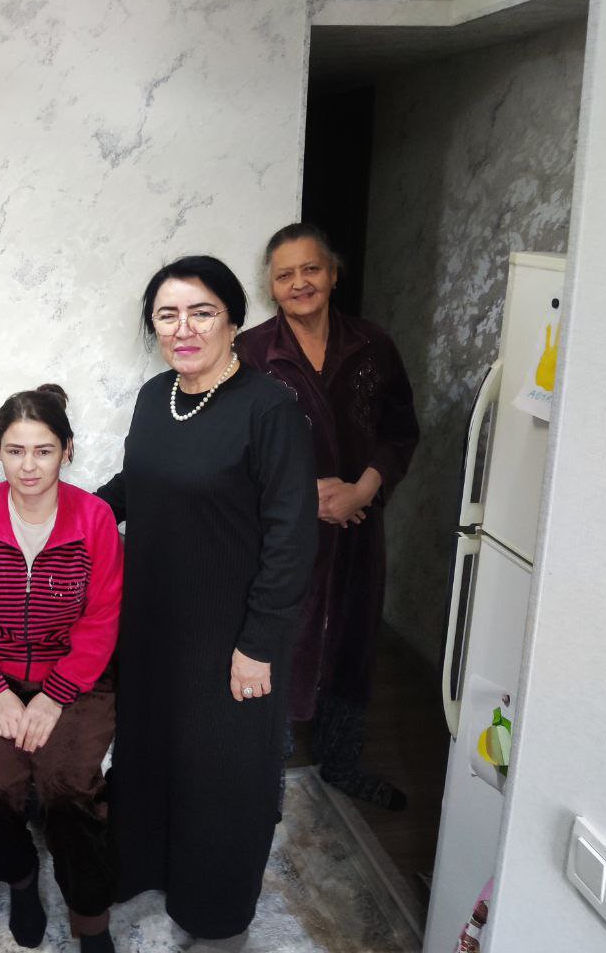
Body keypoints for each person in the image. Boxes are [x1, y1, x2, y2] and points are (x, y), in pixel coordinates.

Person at [97, 257, 317, 939]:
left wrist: (259, 644)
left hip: (231, 635)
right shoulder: (153, 398)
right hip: (153, 623)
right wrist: (64, 518)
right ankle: (147, 868)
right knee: (150, 752)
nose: (183, 328)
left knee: (222, 776)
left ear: (233, 320)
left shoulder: (269, 410)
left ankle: (214, 911)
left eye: (201, 312)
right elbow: (136, 486)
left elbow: (292, 538)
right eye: (167, 315)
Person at [235, 222, 419, 809]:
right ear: (271, 286)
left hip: (359, 530)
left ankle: (343, 762)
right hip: (284, 536)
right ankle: (264, 772)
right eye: (285, 274)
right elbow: (233, 448)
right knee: (281, 642)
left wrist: (365, 489)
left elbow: (400, 430)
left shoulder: (372, 344)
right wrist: (301, 494)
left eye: (310, 269)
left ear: (333, 274)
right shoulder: (252, 354)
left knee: (352, 641)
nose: (299, 283)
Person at [0, 385, 123, 952]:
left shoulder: (94, 518)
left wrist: (55, 694)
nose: (28, 466)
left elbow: (101, 619)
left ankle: (90, 918)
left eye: (43, 451)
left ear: (67, 450)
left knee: (69, 792)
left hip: (76, 681)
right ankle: (20, 882)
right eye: (15, 450)